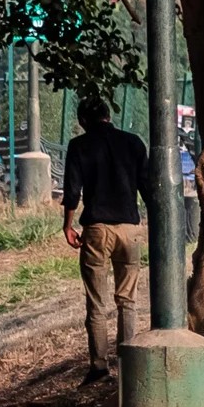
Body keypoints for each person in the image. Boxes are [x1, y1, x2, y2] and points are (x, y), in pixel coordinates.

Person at [59, 97, 152, 380]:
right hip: (129, 228)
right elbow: (147, 187)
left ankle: (99, 366)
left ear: (83, 121)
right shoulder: (133, 142)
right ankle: (129, 365)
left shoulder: (79, 146)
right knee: (128, 300)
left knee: (97, 303)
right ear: (108, 116)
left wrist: (68, 225)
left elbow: (72, 191)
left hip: (97, 229)